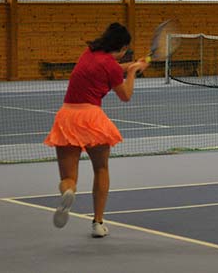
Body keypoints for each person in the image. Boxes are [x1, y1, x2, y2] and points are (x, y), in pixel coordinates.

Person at [44, 22, 148, 237]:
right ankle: (98, 223)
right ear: (123, 47)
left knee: (68, 177)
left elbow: (108, 67)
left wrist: (133, 65)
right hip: (92, 119)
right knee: (101, 169)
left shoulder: (88, 54)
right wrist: (132, 72)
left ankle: (68, 192)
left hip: (67, 117)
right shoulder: (111, 66)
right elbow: (125, 95)